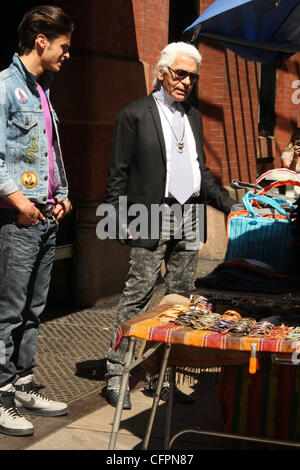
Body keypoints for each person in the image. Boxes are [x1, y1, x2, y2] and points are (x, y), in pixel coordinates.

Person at [104, 41, 236, 409]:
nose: (186, 81)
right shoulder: (133, 115)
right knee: (138, 295)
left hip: (189, 215)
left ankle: (162, 377)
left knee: (180, 301)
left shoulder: (192, 115)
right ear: (161, 73)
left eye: (193, 76)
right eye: (180, 74)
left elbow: (200, 172)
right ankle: (117, 374)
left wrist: (229, 204)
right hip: (150, 215)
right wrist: (118, 219)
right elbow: (117, 175)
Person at [0, 5, 74, 436]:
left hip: (45, 215)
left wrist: (61, 195)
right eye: (64, 46)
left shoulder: (44, 91)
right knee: (8, 312)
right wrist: (19, 203)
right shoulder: (6, 87)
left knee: (33, 309)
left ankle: (23, 382)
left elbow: (49, 153)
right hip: (18, 220)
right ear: (42, 40)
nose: (68, 55)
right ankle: (2, 391)